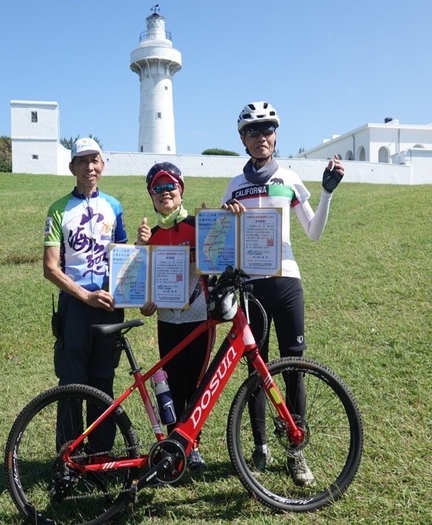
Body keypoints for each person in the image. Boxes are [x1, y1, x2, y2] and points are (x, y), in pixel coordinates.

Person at [222, 101, 345, 487]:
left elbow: (314, 233)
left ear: (276, 135)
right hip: (252, 286)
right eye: (254, 131)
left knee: (293, 368)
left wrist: (326, 194)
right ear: (243, 139)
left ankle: (296, 452)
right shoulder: (234, 185)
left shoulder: (289, 177)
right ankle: (260, 446)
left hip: (286, 282)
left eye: (268, 130)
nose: (262, 137)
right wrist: (229, 218)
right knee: (256, 371)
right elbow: (225, 241)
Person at [43, 137, 128, 454]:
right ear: (72, 167)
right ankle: (68, 458)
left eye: (95, 160)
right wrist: (85, 296)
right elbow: (51, 268)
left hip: (108, 306)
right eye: (82, 161)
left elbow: (123, 256)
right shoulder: (57, 210)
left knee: (103, 383)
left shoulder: (114, 206)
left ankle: (100, 456)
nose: (89, 166)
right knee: (71, 386)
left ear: (103, 165)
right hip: (75, 307)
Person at [135, 162, 214, 474]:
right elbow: (141, 295)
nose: (165, 192)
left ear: (181, 190)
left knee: (196, 386)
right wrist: (140, 250)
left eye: (170, 186)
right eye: (157, 187)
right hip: (168, 322)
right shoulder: (150, 236)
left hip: (200, 320)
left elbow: (223, 259)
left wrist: (229, 223)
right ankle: (173, 446)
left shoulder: (200, 226)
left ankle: (192, 447)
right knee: (169, 386)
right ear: (151, 196)